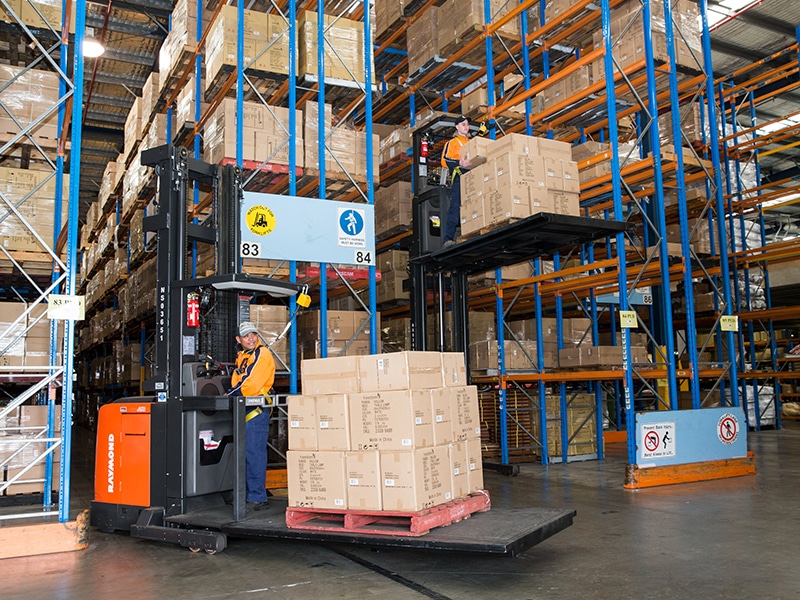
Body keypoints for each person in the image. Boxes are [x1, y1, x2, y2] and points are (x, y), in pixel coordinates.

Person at [227, 321, 275, 511]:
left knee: (254, 453)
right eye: (246, 336)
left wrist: (231, 394)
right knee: (244, 454)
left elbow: (251, 384)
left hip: (256, 409)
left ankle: (257, 496)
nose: (251, 338)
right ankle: (246, 494)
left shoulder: (262, 354)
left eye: (254, 334)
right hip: (245, 408)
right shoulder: (243, 356)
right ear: (239, 339)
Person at [441, 115, 473, 247]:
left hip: (472, 175)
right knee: (455, 207)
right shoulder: (452, 143)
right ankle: (448, 239)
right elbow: (444, 161)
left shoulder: (472, 142)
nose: (466, 127)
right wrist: (459, 162)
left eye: (467, 124)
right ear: (457, 127)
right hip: (460, 175)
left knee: (472, 203)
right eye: (463, 124)